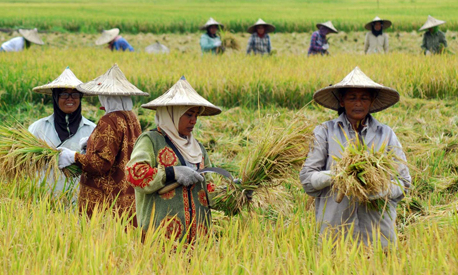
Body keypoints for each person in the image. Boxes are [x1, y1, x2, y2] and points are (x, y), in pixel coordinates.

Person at [300, 67, 411, 248]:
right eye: (352, 97)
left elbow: (404, 182)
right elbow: (307, 180)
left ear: (372, 101)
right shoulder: (325, 132)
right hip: (336, 236)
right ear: (342, 101)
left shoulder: (386, 134)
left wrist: (379, 189)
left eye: (364, 98)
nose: (358, 103)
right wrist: (337, 174)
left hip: (378, 236)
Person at [126, 76, 246, 243]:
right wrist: (172, 172)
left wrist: (235, 193)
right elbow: (134, 174)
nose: (194, 120)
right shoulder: (151, 141)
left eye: (196, 115)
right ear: (172, 114)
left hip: (199, 243)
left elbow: (208, 190)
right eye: (189, 114)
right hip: (161, 241)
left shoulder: (198, 149)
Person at [57, 64, 148, 225]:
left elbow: (99, 164)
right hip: (127, 195)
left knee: (102, 246)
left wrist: (73, 157)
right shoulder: (132, 118)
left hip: (106, 202)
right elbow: (121, 150)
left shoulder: (109, 120)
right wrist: (92, 143)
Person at [29, 67, 96, 197]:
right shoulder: (38, 128)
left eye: (75, 94)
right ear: (55, 97)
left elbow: (98, 166)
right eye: (64, 94)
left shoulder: (92, 130)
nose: (70, 99)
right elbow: (26, 165)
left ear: (80, 97)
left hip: (78, 201)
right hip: (43, 200)